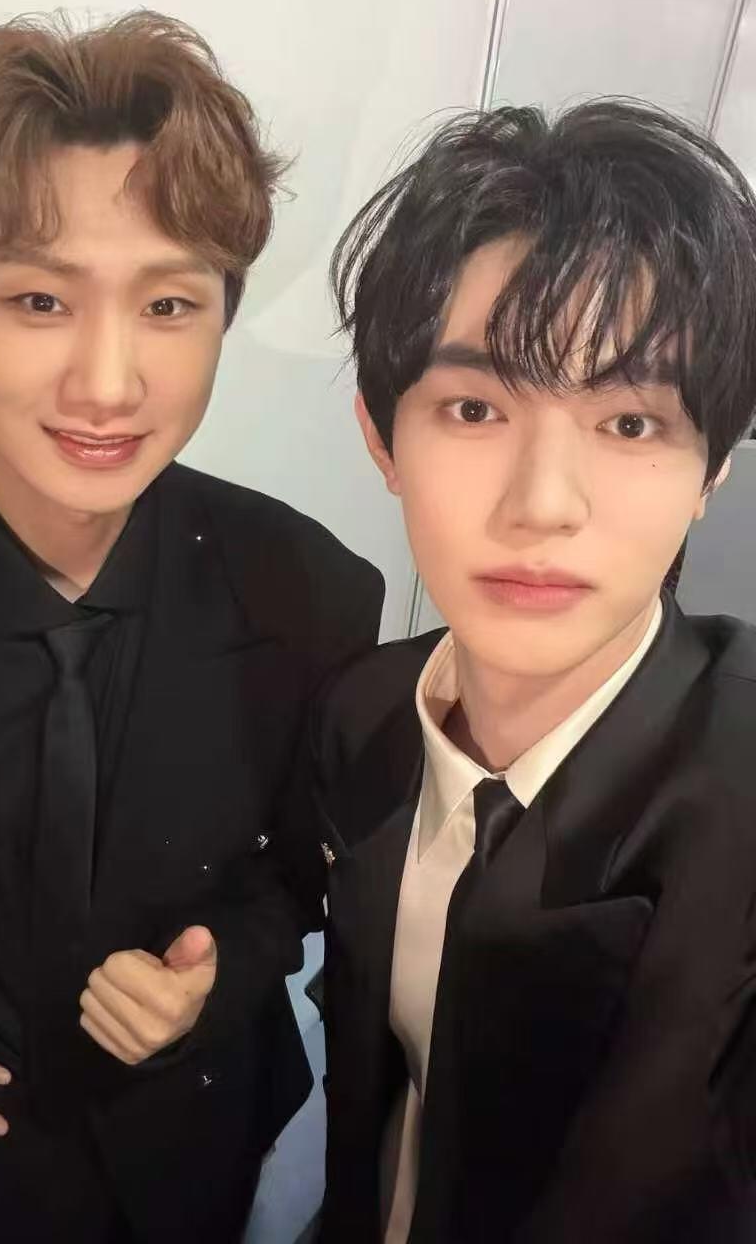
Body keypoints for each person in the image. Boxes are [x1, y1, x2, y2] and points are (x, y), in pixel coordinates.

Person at [0, 12, 383, 1243]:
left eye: (168, 303)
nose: (108, 384)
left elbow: (303, 874)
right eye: (38, 298)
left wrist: (213, 976)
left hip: (206, 1129)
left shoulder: (309, 588)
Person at [316, 100, 756, 1243]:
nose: (542, 504)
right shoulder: (365, 709)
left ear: (712, 465)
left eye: (630, 423)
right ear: (381, 436)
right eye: (474, 407)